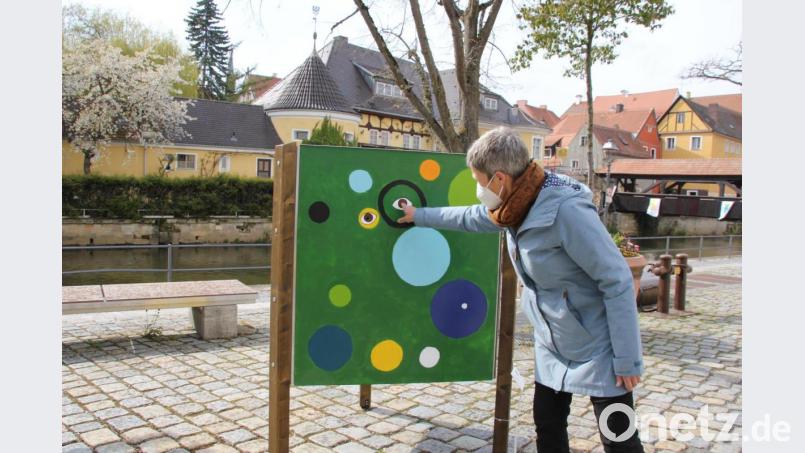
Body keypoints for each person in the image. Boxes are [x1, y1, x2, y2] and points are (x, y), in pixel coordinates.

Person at [397, 126, 645, 453]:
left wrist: (627, 359)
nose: (477, 188)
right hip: (552, 338)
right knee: (548, 424)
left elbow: (616, 279)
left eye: (478, 179)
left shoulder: (566, 211)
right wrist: (419, 216)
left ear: (499, 178)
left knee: (618, 436)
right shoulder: (512, 206)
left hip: (597, 342)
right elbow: (470, 217)